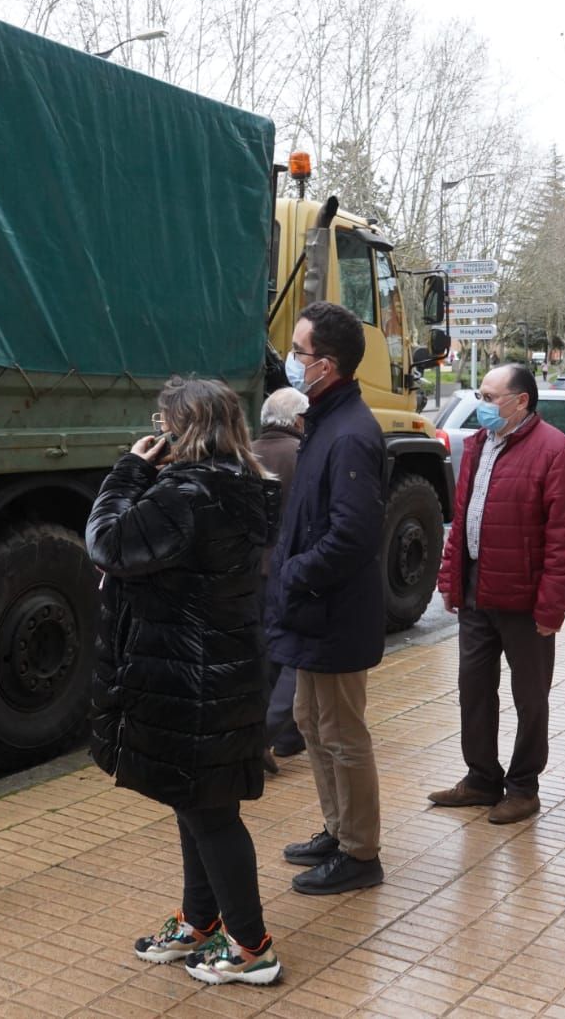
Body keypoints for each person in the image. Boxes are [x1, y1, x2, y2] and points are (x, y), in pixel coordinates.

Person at [87, 377, 282, 987]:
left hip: (191, 676)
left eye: (163, 420)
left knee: (212, 813)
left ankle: (251, 946)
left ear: (185, 428)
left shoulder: (188, 492)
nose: (157, 428)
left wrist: (126, 473)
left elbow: (109, 543)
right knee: (194, 801)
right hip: (211, 669)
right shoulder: (237, 484)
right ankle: (200, 920)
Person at [428, 365, 565, 815]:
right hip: (477, 592)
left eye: (489, 395)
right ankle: (481, 778)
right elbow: (462, 521)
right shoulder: (480, 445)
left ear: (520, 401)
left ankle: (523, 788)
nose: (481, 403)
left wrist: (552, 607)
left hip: (527, 600)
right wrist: (449, 578)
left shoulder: (556, 451)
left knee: (530, 698)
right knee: (473, 690)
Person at [267, 302, 386, 896]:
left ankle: (360, 852)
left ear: (327, 365)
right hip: (316, 609)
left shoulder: (351, 434)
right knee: (310, 721)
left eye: (299, 352)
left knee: (342, 731)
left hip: (335, 612)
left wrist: (293, 574)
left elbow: (353, 535)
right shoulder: (324, 422)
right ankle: (337, 832)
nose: (291, 361)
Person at [252, 387, 309, 764]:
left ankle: (290, 737)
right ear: (297, 420)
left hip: (250, 570)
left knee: (265, 654)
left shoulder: (245, 454)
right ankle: (264, 736)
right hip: (290, 570)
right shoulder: (304, 455)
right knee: (297, 656)